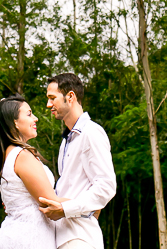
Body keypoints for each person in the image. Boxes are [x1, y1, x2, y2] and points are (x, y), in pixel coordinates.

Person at [39, 73, 116, 249]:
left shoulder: (91, 132)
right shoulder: (66, 141)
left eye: (52, 98)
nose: (48, 105)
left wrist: (66, 209)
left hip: (80, 239)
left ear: (70, 96)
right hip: (62, 237)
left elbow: (106, 186)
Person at [0, 94, 66, 249]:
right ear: (15, 123)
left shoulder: (8, 154)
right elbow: (50, 202)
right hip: (28, 238)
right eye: (29, 114)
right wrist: (91, 203)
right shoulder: (22, 155)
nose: (36, 118)